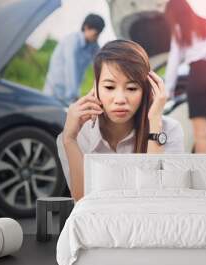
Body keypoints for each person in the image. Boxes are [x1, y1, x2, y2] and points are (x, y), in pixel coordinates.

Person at [56, 40, 185, 201]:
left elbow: (156, 199)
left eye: (131, 88)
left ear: (147, 90)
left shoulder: (169, 130)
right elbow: (82, 201)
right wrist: (69, 139)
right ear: (95, 88)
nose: (120, 99)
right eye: (109, 87)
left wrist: (155, 123)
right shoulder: (76, 135)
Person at [164, 0, 206, 154]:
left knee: (201, 136)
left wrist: (168, 90)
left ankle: (204, 177)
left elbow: (173, 61)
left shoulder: (180, 29)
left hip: (197, 77)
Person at [44, 14, 105, 106]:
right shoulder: (72, 41)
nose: (97, 37)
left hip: (71, 91)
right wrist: (74, 95)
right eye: (96, 34)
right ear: (86, 27)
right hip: (55, 89)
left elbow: (100, 64)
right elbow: (70, 68)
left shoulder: (93, 45)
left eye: (99, 34)